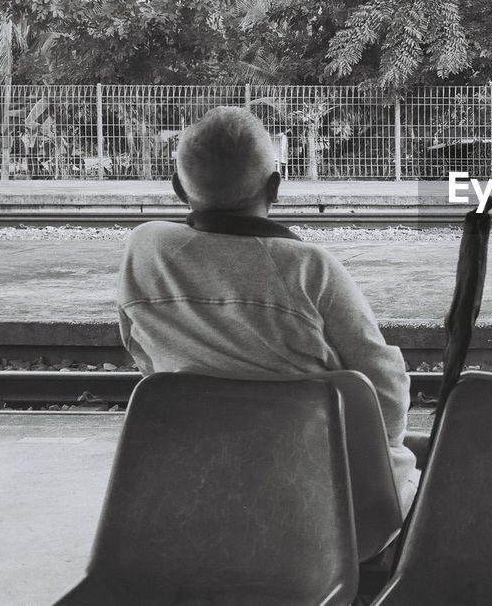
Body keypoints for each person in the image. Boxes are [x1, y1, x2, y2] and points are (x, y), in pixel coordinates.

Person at [116, 106, 418, 510]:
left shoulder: (146, 251)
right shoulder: (310, 268)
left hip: (209, 488)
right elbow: (386, 386)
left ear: (178, 188)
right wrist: (384, 455)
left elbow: (142, 352)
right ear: (274, 187)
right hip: (327, 504)